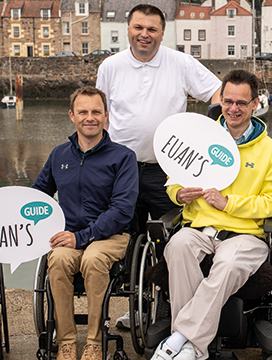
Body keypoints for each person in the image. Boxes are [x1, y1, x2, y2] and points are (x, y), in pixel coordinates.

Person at [96, 4, 222, 328]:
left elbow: (217, 93)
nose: (144, 34)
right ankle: (135, 307)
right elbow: (99, 113)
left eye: (152, 29)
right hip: (121, 169)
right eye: (139, 27)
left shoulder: (180, 63)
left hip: (168, 171)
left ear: (163, 33)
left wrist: (210, 134)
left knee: (172, 239)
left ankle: (172, 308)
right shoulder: (110, 67)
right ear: (128, 29)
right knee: (127, 239)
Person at [151, 70, 272, 360]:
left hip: (245, 235)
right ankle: (191, 348)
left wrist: (230, 203)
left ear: (255, 104)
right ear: (220, 102)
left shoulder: (268, 150)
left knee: (227, 263)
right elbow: (173, 182)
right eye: (228, 101)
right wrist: (178, 194)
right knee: (177, 246)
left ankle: (181, 340)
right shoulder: (199, 139)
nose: (233, 109)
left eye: (241, 102)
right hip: (199, 228)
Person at [31, 86, 139, 360]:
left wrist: (82, 237)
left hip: (110, 236)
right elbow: (36, 196)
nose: (89, 117)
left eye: (96, 112)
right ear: (72, 115)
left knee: (92, 259)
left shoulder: (123, 157)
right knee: (57, 260)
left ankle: (94, 340)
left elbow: (122, 210)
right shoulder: (59, 155)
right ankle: (67, 341)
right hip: (70, 235)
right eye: (83, 112)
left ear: (106, 117)